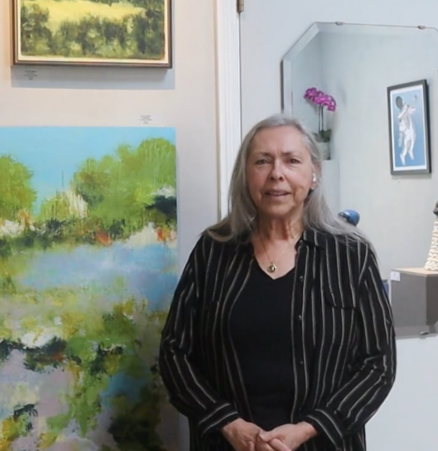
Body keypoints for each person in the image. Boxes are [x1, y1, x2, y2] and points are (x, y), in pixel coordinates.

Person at [159, 114, 396, 451]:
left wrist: (310, 428)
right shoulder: (213, 250)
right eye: (262, 161)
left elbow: (378, 364)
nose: (276, 173)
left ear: (314, 174)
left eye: (291, 160)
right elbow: (174, 352)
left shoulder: (351, 255)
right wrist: (228, 424)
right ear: (246, 175)